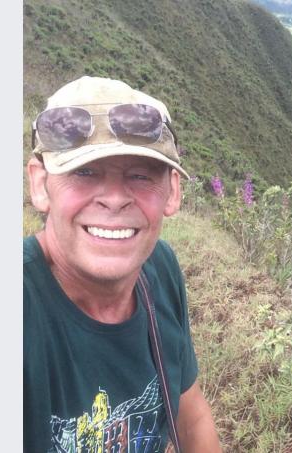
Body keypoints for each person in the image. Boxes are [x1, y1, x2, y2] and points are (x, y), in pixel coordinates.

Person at [24, 76, 222, 453]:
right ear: (40, 184)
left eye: (140, 175)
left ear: (173, 192)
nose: (114, 199)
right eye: (84, 172)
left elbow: (191, 416)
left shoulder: (158, 269)